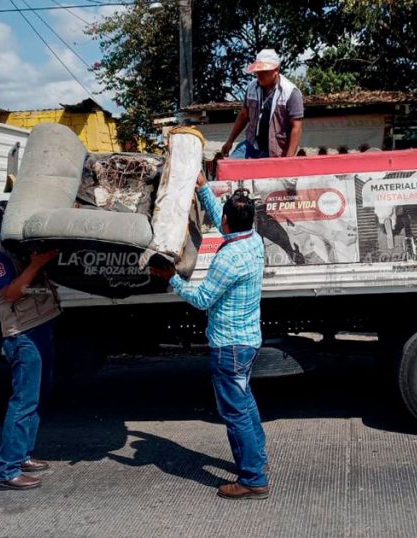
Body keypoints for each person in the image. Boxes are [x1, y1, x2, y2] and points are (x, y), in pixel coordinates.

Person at [150, 173, 269, 500]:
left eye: (225, 218)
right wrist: (203, 188)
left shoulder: (229, 257)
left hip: (229, 346)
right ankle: (257, 458)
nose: (222, 222)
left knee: (235, 412)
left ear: (230, 222)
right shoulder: (253, 240)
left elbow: (202, 299)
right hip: (247, 342)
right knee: (245, 403)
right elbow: (223, 221)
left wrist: (172, 278)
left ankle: (253, 478)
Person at [0, 200, 61, 491]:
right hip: (23, 333)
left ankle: (23, 455)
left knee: (37, 396)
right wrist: (37, 264)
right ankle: (6, 470)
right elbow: (12, 292)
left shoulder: (19, 249)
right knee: (24, 400)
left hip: (39, 326)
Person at [220, 49, 304, 159]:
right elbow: (244, 114)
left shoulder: (291, 93)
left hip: (277, 152)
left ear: (276, 70)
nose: (260, 75)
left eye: (264, 71)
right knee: (230, 168)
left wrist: (288, 160)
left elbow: (296, 128)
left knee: (269, 176)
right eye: (258, 71)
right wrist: (230, 141)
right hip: (251, 146)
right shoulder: (251, 88)